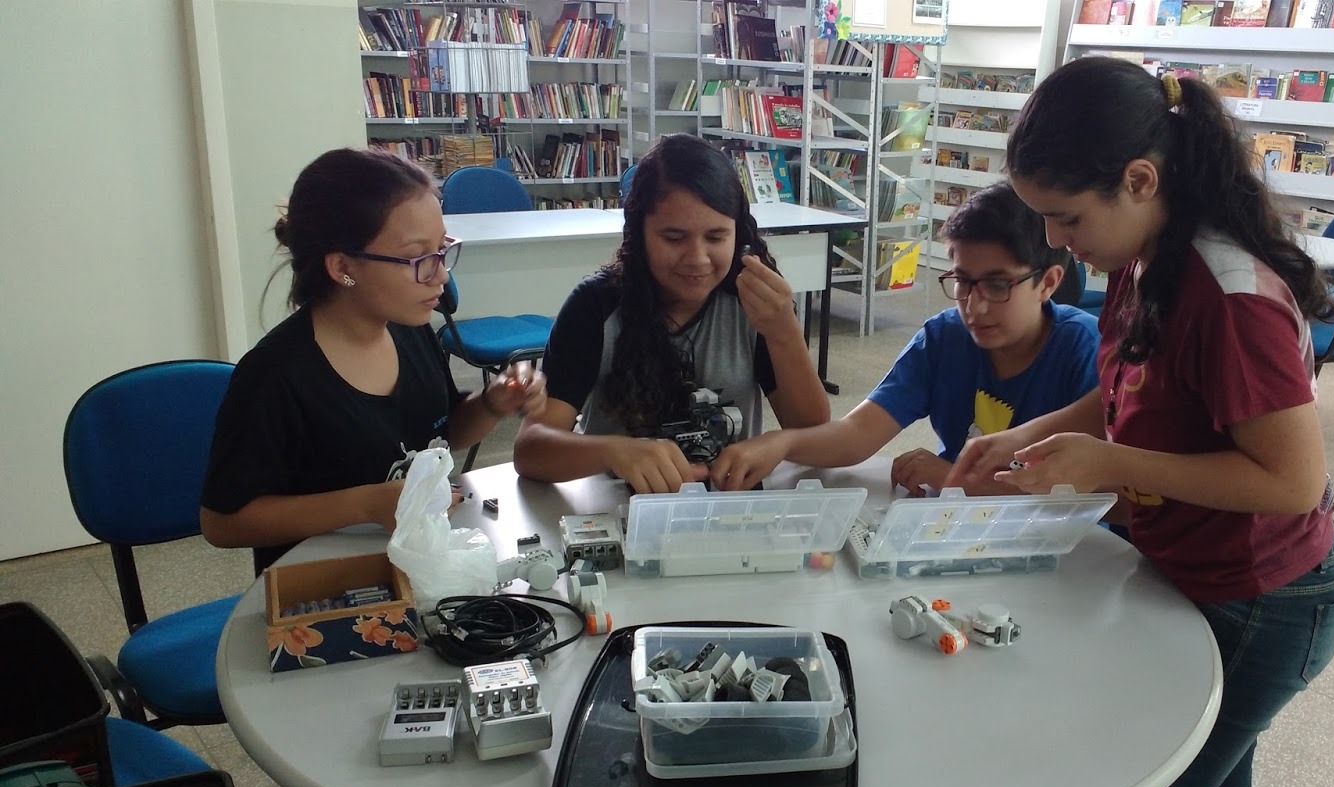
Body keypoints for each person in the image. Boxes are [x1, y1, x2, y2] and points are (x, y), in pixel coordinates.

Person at [948, 57, 1334, 787]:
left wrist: (1109, 464)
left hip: (1270, 597)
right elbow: (1130, 388)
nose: (1057, 240)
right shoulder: (1146, 254)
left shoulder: (1230, 295)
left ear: (1139, 180)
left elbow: (1289, 481)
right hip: (1207, 575)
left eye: (1065, 217)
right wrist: (1028, 434)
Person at [201, 148, 546, 571]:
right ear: (343, 266)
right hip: (324, 587)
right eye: (419, 258)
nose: (440, 274)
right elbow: (223, 522)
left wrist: (493, 403)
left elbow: (444, 430)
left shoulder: (411, 331)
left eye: (443, 250)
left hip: (417, 564)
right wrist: (366, 503)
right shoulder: (277, 375)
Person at [708, 182, 1099, 494]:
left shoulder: (1084, 349)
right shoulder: (944, 337)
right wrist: (783, 444)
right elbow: (858, 433)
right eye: (962, 281)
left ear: (1048, 282)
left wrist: (956, 480)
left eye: (998, 285)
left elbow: (1083, 490)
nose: (974, 306)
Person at [513, 133, 830, 493]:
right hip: (620, 514)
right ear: (639, 234)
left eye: (716, 237)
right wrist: (613, 451)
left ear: (737, 233)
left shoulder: (752, 302)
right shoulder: (594, 307)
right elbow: (531, 451)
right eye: (674, 238)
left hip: (728, 512)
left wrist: (783, 331)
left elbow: (813, 432)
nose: (697, 258)